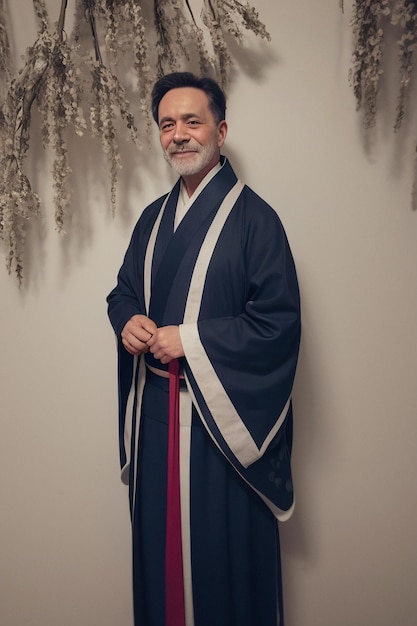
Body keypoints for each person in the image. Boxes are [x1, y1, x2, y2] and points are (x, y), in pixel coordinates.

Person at [107, 71, 301, 626]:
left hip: (221, 426)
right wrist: (129, 321)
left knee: (222, 562)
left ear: (220, 130)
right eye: (167, 124)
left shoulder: (258, 222)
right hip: (156, 422)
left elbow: (278, 324)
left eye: (191, 121)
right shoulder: (151, 220)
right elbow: (122, 291)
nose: (178, 134)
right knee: (161, 555)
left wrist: (188, 339)